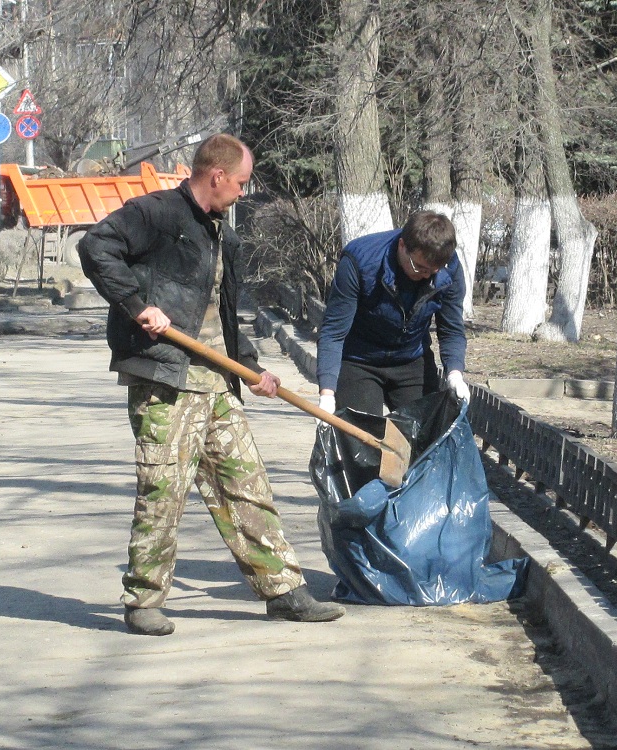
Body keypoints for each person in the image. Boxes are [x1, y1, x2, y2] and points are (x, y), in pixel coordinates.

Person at [78, 133, 346, 636]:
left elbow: (223, 312)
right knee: (164, 490)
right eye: (241, 183)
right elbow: (96, 247)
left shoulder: (225, 234)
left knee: (247, 483)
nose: (244, 193)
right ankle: (143, 601)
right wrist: (138, 306)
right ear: (217, 175)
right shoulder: (155, 214)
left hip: (217, 382)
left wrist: (250, 365)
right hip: (165, 377)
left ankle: (284, 591)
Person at [316, 210, 470, 418]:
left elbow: (451, 329)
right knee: (364, 438)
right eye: (420, 267)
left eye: (433, 271)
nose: (425, 275)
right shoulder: (360, 261)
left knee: (423, 438)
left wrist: (455, 373)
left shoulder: (448, 267)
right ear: (402, 246)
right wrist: (327, 394)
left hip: (411, 358)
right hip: (359, 360)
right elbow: (333, 332)